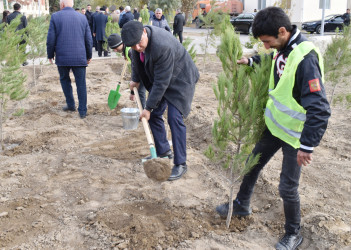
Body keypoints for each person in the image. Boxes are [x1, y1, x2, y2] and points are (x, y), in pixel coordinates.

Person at [215, 7, 330, 250]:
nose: (266, 46)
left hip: (295, 135)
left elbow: (320, 108)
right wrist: (252, 60)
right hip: (275, 126)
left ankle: (293, 234)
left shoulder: (305, 58)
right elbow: (274, 61)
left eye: (267, 42)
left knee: (287, 187)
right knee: (252, 163)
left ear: (282, 31)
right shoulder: (284, 47)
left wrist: (307, 145)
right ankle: (242, 205)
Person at [121, 21, 199, 181]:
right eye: (132, 46)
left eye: (138, 43)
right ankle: (164, 152)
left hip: (180, 80)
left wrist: (147, 108)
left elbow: (162, 83)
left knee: (174, 118)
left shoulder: (162, 45)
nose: (137, 47)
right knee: (155, 115)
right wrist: (135, 80)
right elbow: (136, 61)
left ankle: (181, 164)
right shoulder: (136, 44)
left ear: (144, 32)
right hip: (162, 79)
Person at [46, 0, 92, 119]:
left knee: (65, 81)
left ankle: (71, 105)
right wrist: (89, 55)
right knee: (81, 84)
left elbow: (51, 38)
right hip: (79, 57)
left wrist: (50, 54)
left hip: (62, 57)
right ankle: (82, 111)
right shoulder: (82, 18)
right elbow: (88, 39)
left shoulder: (55, 17)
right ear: (72, 5)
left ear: (62, 5)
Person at [107, 33, 147, 108]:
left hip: (144, 70)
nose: (115, 50)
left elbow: (136, 70)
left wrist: (132, 91)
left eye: (115, 47)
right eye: (113, 49)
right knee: (140, 91)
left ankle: (142, 112)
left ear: (121, 43)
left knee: (140, 92)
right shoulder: (127, 48)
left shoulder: (130, 51)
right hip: (142, 68)